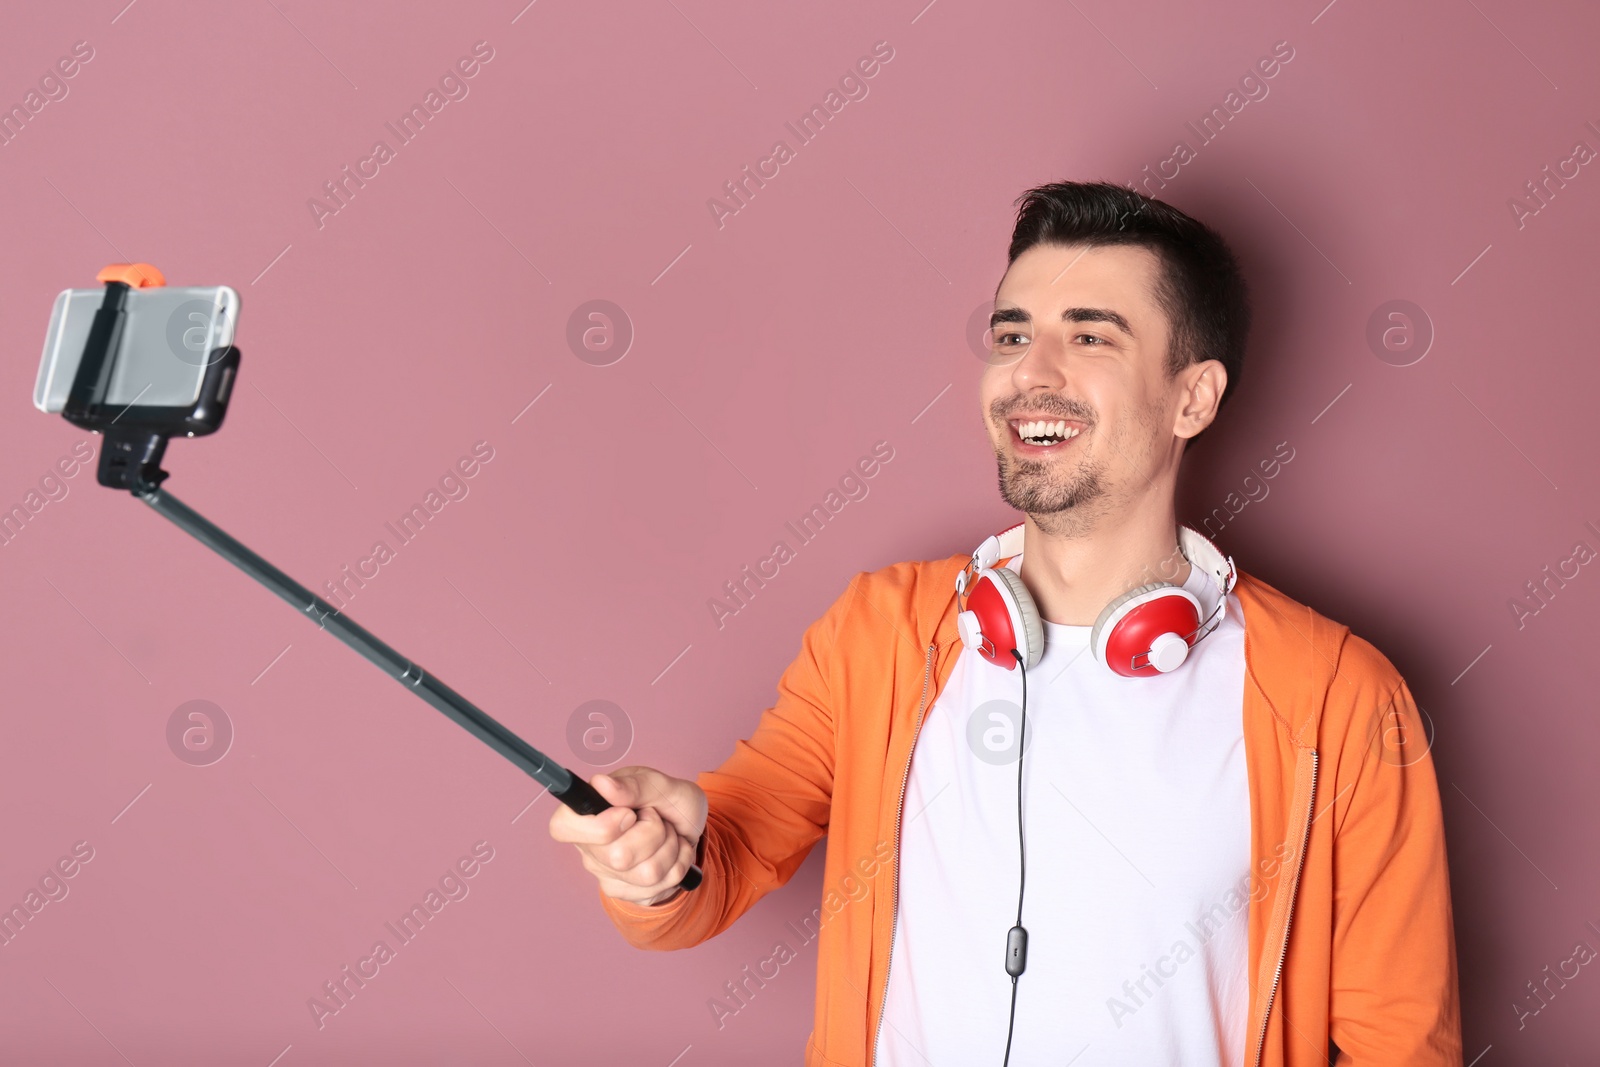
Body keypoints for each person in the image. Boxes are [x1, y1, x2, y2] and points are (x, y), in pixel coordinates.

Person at [548, 180, 1462, 1066]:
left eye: (1090, 337)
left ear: (1194, 397)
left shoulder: (1342, 698)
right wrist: (662, 859)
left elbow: (1401, 1041)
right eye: (1012, 333)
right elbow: (728, 855)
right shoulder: (880, 632)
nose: (1032, 372)